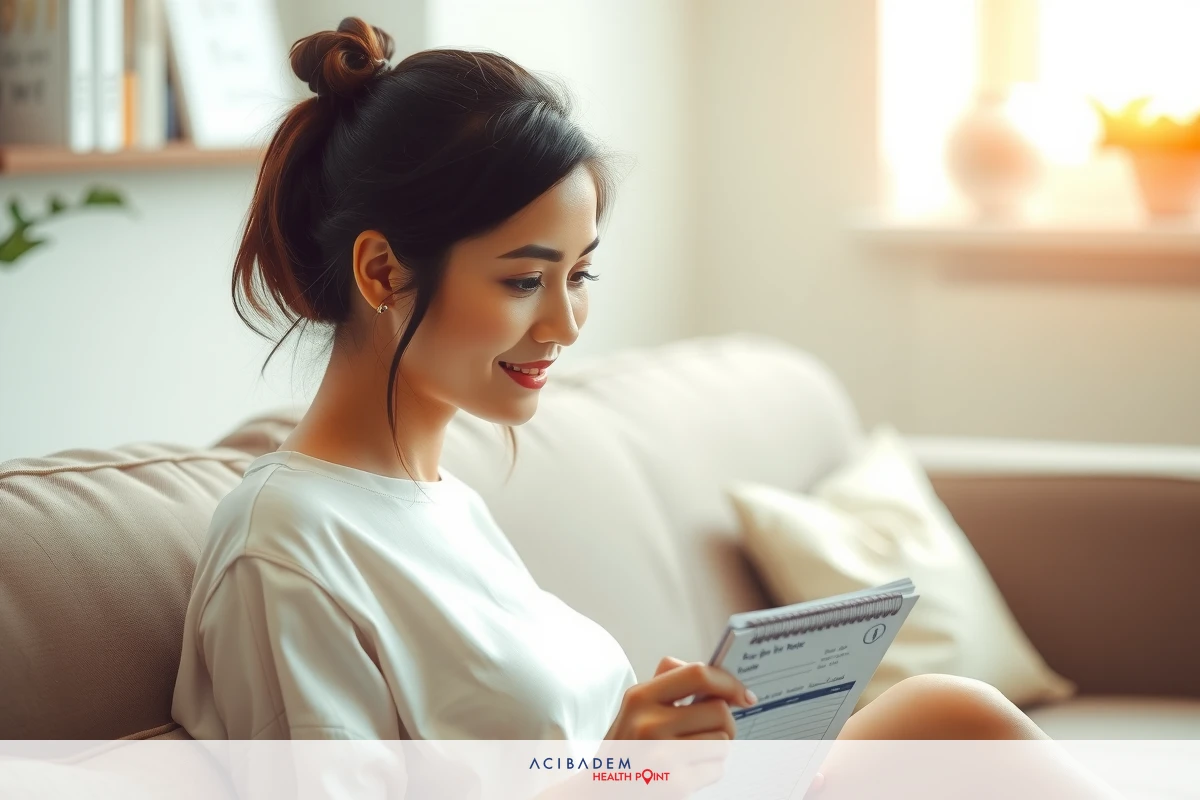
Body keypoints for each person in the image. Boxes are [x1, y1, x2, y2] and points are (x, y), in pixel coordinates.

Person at [171, 17, 1051, 749]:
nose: (564, 325)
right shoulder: (285, 548)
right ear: (381, 274)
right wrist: (610, 775)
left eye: (579, 276)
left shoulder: (441, 506)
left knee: (947, 714)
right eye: (524, 280)